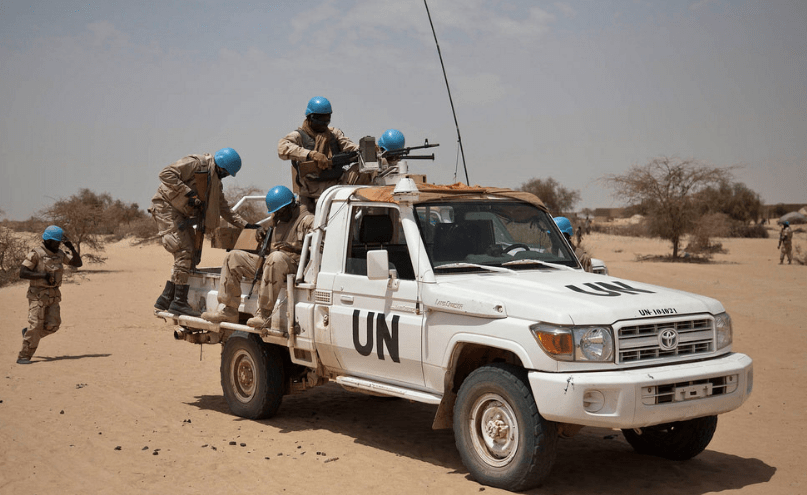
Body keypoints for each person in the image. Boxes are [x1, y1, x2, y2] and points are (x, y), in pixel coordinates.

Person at [150, 148, 256, 316]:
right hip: (166, 209)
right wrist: (188, 193)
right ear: (221, 166)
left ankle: (166, 297)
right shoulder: (196, 163)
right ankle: (178, 302)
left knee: (192, 255)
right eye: (226, 172)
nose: (226, 176)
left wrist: (246, 226)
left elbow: (224, 208)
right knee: (184, 252)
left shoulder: (215, 180)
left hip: (181, 213)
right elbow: (165, 174)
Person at [202, 185, 314, 328]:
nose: (277, 216)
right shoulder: (280, 221)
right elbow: (270, 248)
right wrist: (261, 235)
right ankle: (229, 310)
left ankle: (264, 314)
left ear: (291, 205)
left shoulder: (308, 220)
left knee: (276, 258)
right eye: (276, 213)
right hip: (272, 266)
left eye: (280, 212)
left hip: (295, 267)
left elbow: (322, 249)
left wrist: (297, 248)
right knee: (233, 257)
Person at [277, 96, 360, 212]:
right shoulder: (299, 135)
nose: (324, 123)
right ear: (311, 118)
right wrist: (311, 154)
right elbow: (282, 148)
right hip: (310, 194)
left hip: (334, 190)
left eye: (327, 119)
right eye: (321, 119)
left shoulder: (333, 133)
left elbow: (350, 146)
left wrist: (366, 148)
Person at [16, 225, 83, 364]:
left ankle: (30, 335)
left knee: (53, 325)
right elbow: (22, 273)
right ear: (47, 240)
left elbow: (77, 263)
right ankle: (24, 356)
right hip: (37, 296)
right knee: (35, 326)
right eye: (55, 242)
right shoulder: (36, 253)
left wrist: (71, 247)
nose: (57, 244)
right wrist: (43, 275)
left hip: (53, 295)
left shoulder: (60, 254)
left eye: (59, 242)